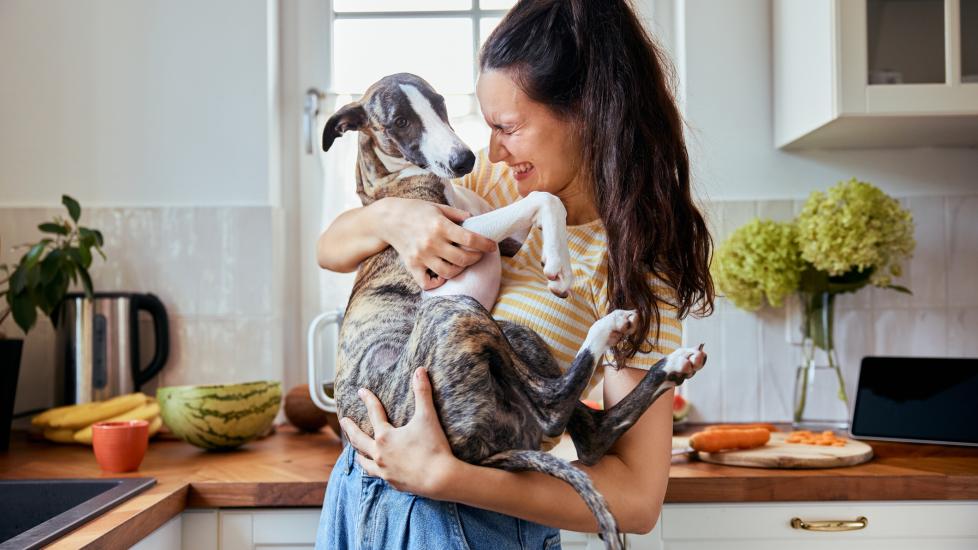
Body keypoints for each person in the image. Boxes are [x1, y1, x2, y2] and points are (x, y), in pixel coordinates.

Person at [314, 0, 714, 548]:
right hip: (357, 497)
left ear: (589, 112)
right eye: (488, 127)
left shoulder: (632, 262)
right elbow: (330, 248)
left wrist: (450, 478)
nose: (493, 151)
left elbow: (638, 499)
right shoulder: (500, 188)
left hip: (467, 523)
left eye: (510, 127)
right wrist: (391, 216)